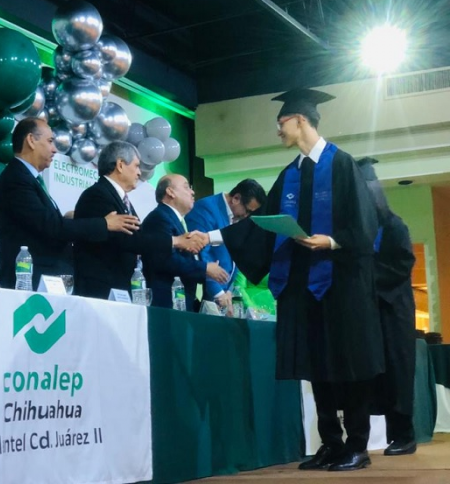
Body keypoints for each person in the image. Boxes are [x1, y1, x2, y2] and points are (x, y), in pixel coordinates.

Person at [217, 89, 383, 471]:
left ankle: (357, 446)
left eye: (282, 123)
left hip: (342, 286)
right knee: (317, 365)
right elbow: (261, 226)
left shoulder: (342, 165)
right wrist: (212, 237)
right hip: (303, 288)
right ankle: (331, 444)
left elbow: (365, 225)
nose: (278, 130)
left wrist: (331, 241)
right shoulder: (289, 175)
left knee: (348, 364)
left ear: (300, 120)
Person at [0, 117, 140, 289]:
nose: (55, 149)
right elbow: (50, 226)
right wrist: (104, 224)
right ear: (31, 140)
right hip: (27, 280)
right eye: (50, 141)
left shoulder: (29, 179)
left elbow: (45, 223)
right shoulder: (17, 179)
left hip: (44, 278)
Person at [73, 141, 205, 300]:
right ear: (120, 165)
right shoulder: (97, 195)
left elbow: (136, 238)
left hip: (119, 288)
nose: (139, 173)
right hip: (100, 290)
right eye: (136, 166)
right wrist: (175, 241)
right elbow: (127, 240)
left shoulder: (119, 198)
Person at [358, 157, 417, 456]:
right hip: (371, 311)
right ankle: (370, 437)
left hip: (395, 310)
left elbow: (403, 264)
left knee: (398, 371)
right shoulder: (361, 228)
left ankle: (404, 436)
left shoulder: (394, 226)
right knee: (373, 373)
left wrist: (368, 279)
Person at [142, 174, 229, 310]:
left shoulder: (176, 220)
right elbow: (165, 260)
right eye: (186, 187)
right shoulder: (159, 218)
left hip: (180, 301)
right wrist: (205, 268)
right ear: (170, 192)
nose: (192, 192)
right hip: (166, 304)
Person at [185, 178, 266, 311]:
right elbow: (200, 252)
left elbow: (239, 252)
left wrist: (230, 291)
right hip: (210, 292)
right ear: (236, 198)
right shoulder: (205, 208)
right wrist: (219, 293)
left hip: (227, 292)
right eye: (248, 211)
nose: (247, 217)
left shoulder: (237, 217)